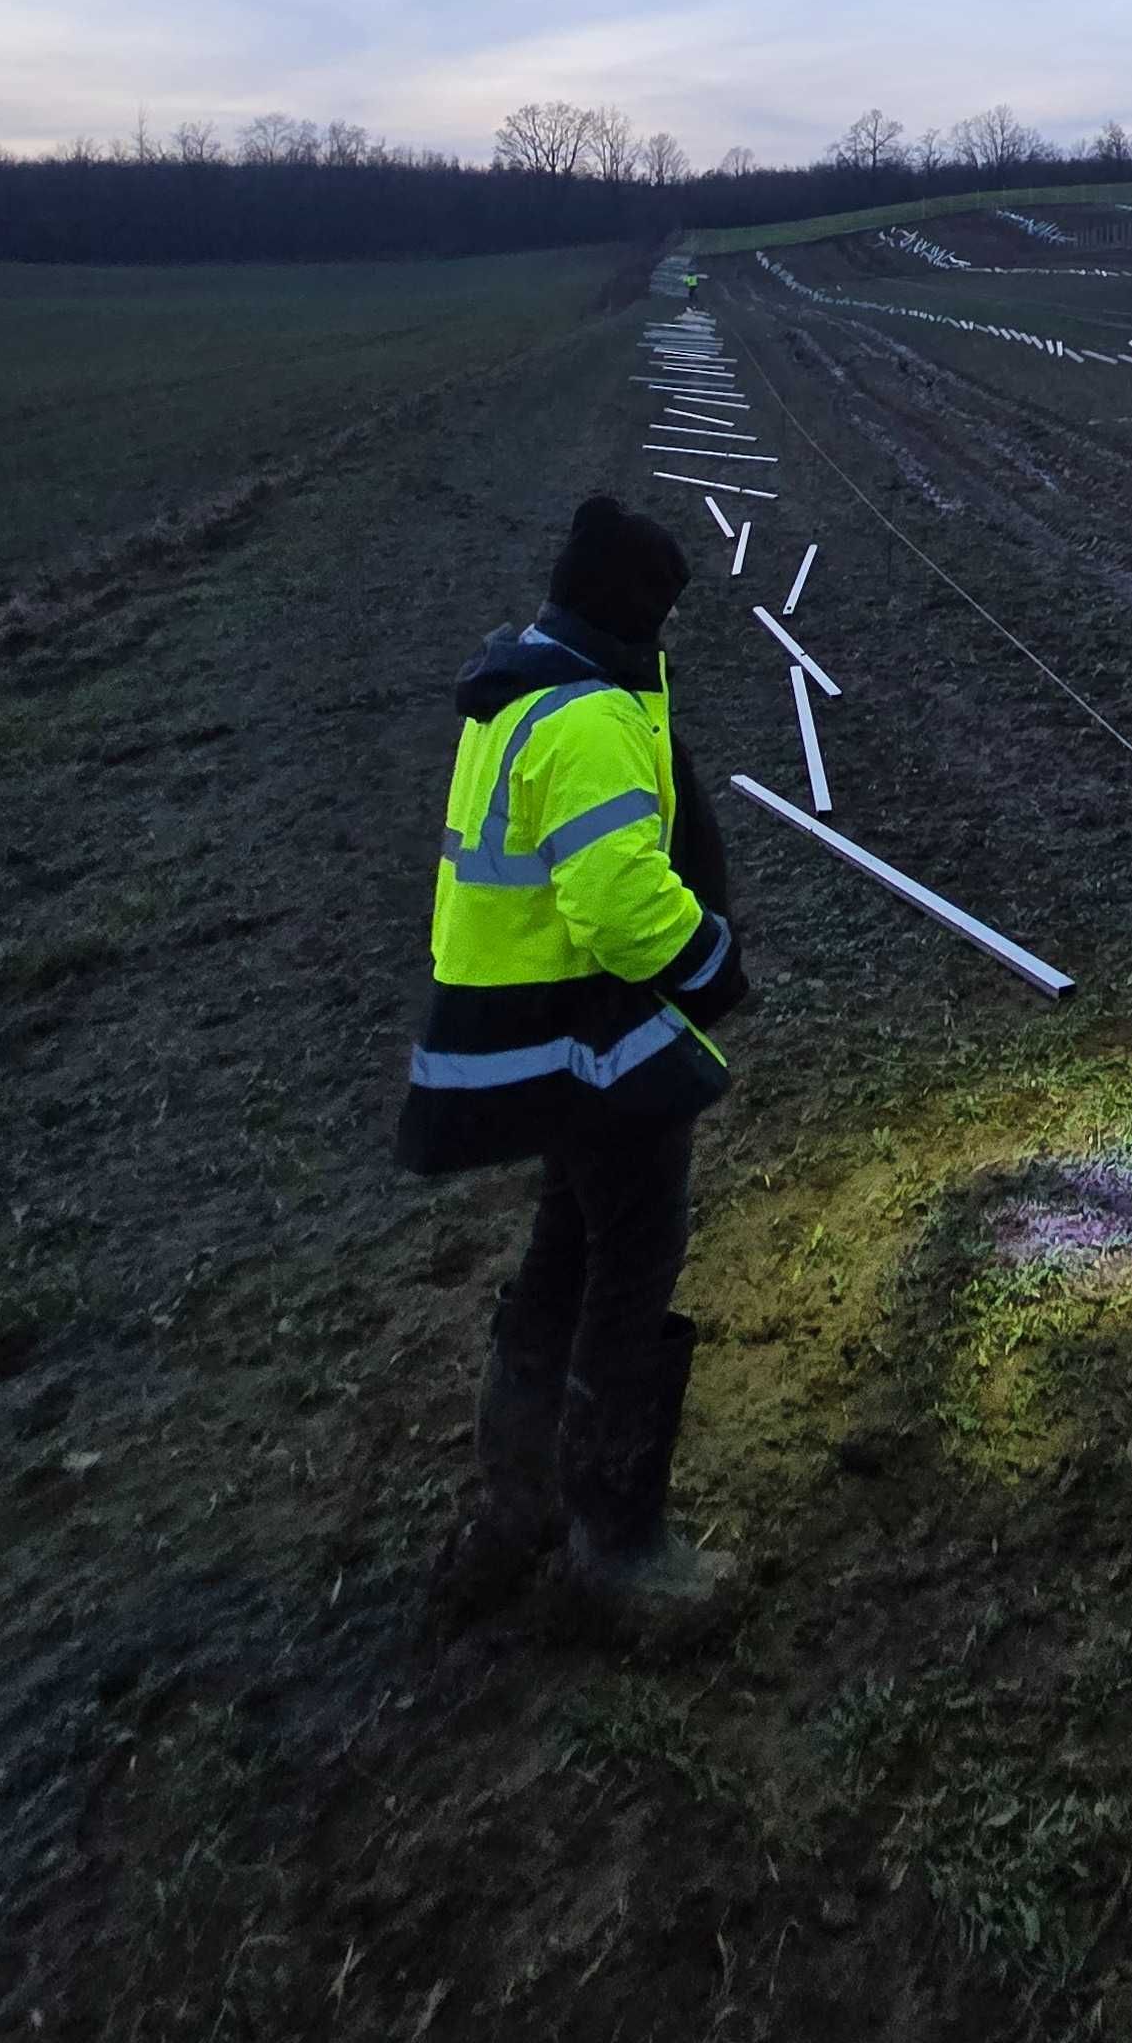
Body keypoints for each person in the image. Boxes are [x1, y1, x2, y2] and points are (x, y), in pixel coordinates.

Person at [398, 495, 748, 1632]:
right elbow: (618, 903)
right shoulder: (588, 719)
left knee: (562, 1250)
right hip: (586, 1036)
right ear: (633, 610)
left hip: (524, 1036)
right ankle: (617, 1545)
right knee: (635, 1254)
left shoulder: (516, 696)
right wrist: (711, 963)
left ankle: (518, 1504)